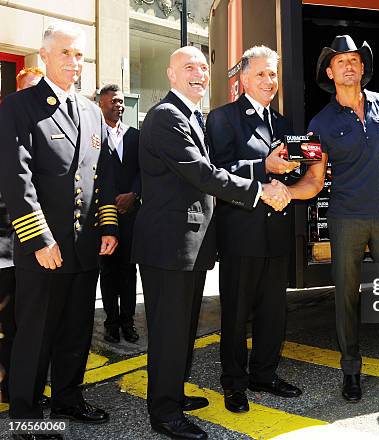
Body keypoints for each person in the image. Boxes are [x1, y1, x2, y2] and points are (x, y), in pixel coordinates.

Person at [131, 45, 290, 440]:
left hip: (189, 245)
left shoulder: (192, 117)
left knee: (182, 331)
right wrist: (258, 190)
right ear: (170, 74)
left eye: (203, 67)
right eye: (189, 67)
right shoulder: (167, 116)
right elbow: (204, 173)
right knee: (169, 333)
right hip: (169, 246)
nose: (199, 73)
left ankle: (173, 395)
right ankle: (165, 413)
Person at [286, 35, 379, 402]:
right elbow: (315, 180)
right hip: (346, 218)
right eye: (341, 61)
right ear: (330, 73)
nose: (349, 65)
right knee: (346, 297)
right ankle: (351, 370)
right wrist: (284, 191)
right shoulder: (320, 123)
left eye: (355, 60)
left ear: (362, 68)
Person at [0, 23, 119, 440]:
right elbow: (17, 179)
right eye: (66, 54)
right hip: (43, 249)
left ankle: (69, 399)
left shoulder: (90, 111)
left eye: (80, 55)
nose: (74, 62)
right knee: (35, 335)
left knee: (76, 330)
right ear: (44, 56)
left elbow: (103, 174)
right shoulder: (20, 106)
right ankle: (28, 417)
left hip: (85, 248)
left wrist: (107, 225)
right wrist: (38, 239)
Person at [207, 45, 302, 414]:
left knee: (273, 312)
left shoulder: (283, 123)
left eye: (273, 74)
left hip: (275, 229)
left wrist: (286, 179)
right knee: (235, 314)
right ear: (243, 78)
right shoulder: (223, 118)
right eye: (261, 74)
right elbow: (218, 171)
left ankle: (265, 373)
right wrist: (265, 168)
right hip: (241, 232)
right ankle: (234, 383)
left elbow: (291, 167)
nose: (269, 81)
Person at [0, 66, 46, 407]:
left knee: (30, 324)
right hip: (4, 246)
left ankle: (22, 387)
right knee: (7, 326)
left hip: (35, 245)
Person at [98, 84, 140, 344]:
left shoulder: (136, 135)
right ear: (101, 103)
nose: (119, 105)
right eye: (114, 100)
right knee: (108, 270)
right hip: (104, 215)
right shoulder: (91, 134)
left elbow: (144, 171)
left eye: (122, 101)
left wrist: (133, 194)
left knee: (129, 270)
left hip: (131, 214)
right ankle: (111, 323)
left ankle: (128, 321)